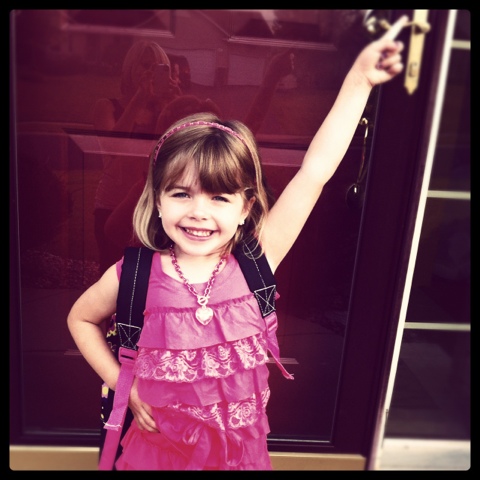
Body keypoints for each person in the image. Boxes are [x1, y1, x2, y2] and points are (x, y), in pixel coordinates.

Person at [67, 16, 408, 470]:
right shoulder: (134, 277)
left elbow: (315, 171)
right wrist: (122, 383)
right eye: (181, 194)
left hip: (238, 457)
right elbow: (80, 318)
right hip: (158, 454)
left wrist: (360, 79)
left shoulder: (257, 261)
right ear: (158, 199)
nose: (199, 212)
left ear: (246, 207)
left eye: (219, 197)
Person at [93, 40, 182, 273]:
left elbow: (181, 153)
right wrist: (139, 98)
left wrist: (176, 105)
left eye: (159, 68)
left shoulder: (165, 112)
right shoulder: (107, 106)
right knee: (112, 276)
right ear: (130, 67)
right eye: (145, 65)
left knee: (150, 279)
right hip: (112, 205)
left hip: (153, 208)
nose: (151, 73)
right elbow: (112, 149)